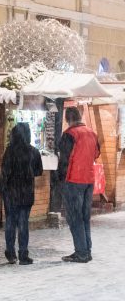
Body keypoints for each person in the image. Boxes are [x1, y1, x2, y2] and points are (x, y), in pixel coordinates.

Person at [58, 106, 100, 263]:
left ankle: (81, 253)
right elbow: (96, 154)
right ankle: (86, 250)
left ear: (67, 119)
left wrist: (60, 180)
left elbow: (64, 160)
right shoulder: (92, 133)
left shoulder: (69, 134)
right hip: (89, 180)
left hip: (73, 180)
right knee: (84, 216)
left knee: (74, 217)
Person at [0, 123, 43, 265]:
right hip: (26, 193)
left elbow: (5, 173)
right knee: (23, 224)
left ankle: (11, 253)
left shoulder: (9, 151)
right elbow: (38, 172)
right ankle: (23, 254)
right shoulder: (34, 152)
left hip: (11, 194)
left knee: (10, 223)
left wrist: (0, 190)